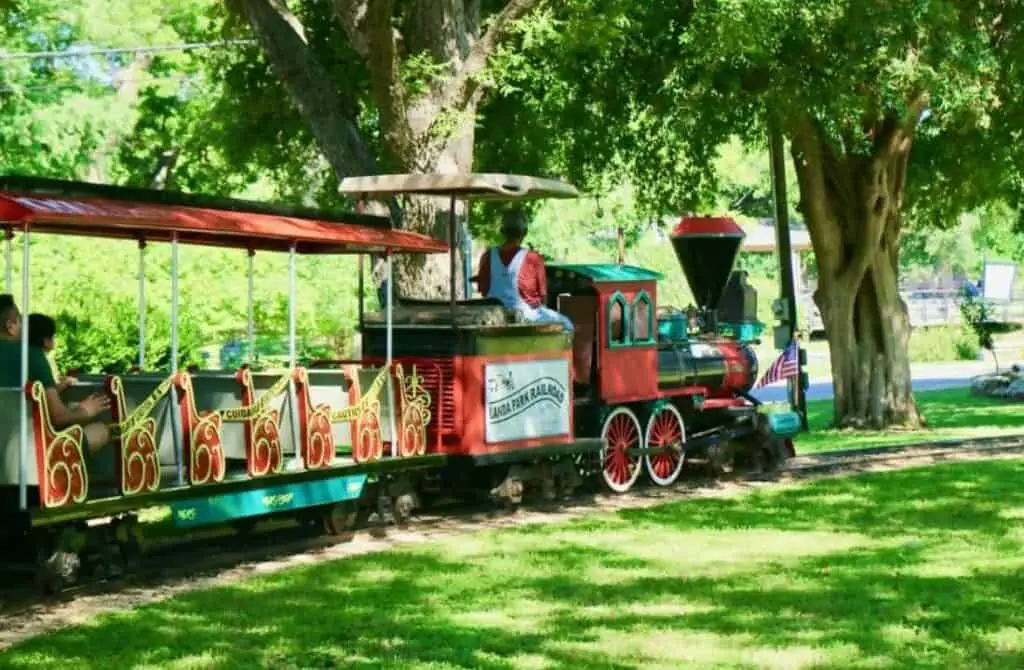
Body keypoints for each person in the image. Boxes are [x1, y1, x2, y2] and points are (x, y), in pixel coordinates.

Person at [0, 295, 110, 454]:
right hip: (26, 456)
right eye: (20, 321)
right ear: (11, 326)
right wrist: (85, 410)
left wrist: (54, 389)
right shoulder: (31, 356)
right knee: (100, 430)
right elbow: (59, 417)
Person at [475, 208, 574, 332]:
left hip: (494, 316)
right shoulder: (533, 258)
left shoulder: (487, 256)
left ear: (502, 231)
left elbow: (483, 291)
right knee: (568, 326)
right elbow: (543, 299)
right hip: (527, 317)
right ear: (525, 232)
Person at [28, 313, 74, 392]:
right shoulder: (40, 359)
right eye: (53, 336)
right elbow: (50, 392)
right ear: (46, 340)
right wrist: (67, 382)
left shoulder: (25, 355)